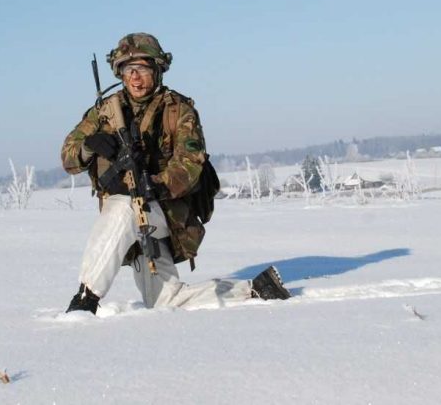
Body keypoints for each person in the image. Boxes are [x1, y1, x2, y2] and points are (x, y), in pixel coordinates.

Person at [61, 32, 290, 313]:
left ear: (157, 69)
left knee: (123, 207)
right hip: (130, 224)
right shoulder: (104, 112)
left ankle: (85, 301)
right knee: (164, 300)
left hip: (167, 211)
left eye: (142, 69)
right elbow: (68, 157)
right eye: (129, 70)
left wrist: (153, 185)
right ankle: (255, 289)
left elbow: (190, 163)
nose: (135, 78)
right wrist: (88, 146)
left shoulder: (179, 110)